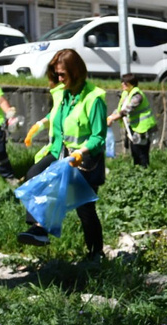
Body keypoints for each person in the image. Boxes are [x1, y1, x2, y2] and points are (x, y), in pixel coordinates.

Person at [17, 49, 106, 260]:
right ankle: (39, 227)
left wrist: (81, 152)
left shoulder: (94, 99)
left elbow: (99, 137)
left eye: (62, 74)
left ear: (75, 72)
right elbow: (56, 117)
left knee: (85, 210)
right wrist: (40, 124)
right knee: (34, 175)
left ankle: (96, 252)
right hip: (60, 154)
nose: (59, 78)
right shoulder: (64, 94)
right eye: (56, 74)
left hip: (84, 161)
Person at [106, 73, 156, 167]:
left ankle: (144, 175)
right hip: (134, 129)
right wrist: (111, 116)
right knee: (135, 153)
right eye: (122, 82)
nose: (122, 84)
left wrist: (113, 119)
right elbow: (120, 109)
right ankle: (137, 174)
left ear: (131, 84)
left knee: (142, 155)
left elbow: (126, 110)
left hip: (143, 129)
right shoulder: (126, 94)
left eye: (125, 83)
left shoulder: (137, 96)